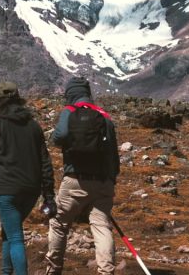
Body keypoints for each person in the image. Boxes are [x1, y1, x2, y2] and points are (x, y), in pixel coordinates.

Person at [0, 81, 55, 275]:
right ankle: (6, 272)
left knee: (15, 236)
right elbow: (45, 163)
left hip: (7, 189)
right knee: (10, 230)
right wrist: (49, 195)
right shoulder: (33, 126)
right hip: (31, 190)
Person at [44, 76, 120, 275]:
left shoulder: (69, 112)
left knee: (58, 223)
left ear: (70, 94)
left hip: (75, 179)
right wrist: (111, 179)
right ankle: (106, 272)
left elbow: (58, 137)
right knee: (102, 227)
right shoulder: (104, 116)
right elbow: (113, 152)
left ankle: (53, 271)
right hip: (103, 182)